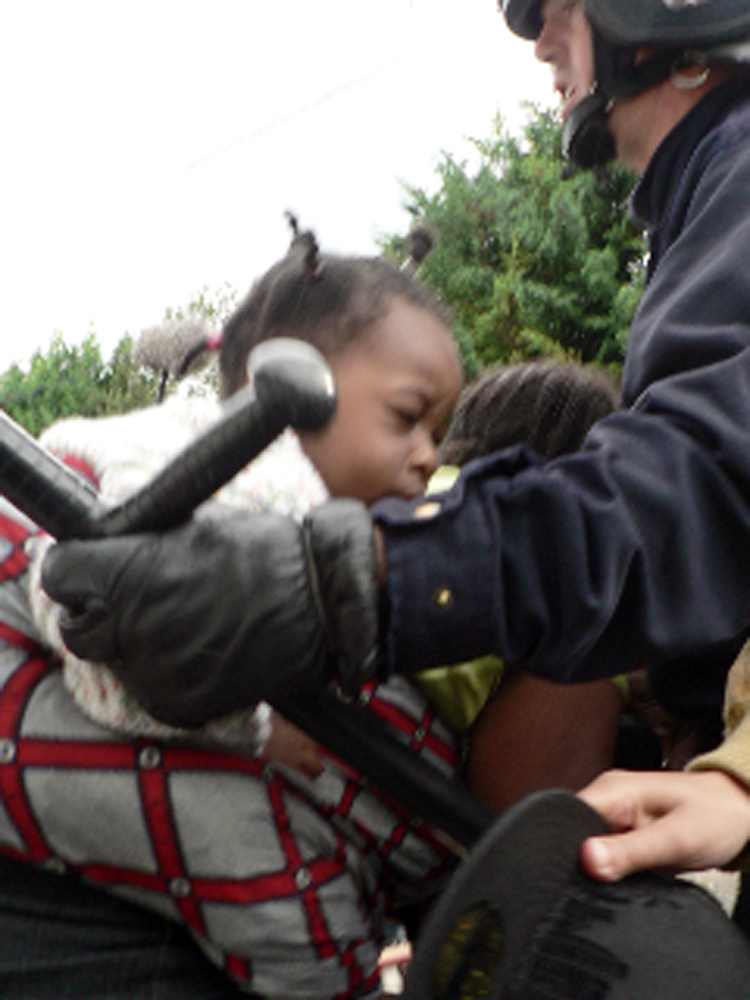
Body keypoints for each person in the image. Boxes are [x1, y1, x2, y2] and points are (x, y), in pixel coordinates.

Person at [42, 0, 750, 798]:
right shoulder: (709, 192)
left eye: (560, 7)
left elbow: (710, 482)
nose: (541, 41)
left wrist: (347, 577)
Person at [0, 219, 464, 1000]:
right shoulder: (244, 488)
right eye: (405, 417)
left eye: (440, 432)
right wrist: (248, 726)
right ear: (287, 388)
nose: (428, 455)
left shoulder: (314, 527)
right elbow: (99, 635)